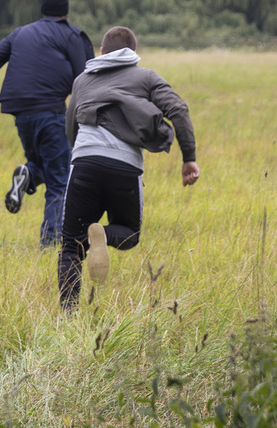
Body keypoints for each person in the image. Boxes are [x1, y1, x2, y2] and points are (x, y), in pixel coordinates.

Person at [56, 26, 199, 310]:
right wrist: (188, 157)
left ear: (101, 51)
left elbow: (70, 125)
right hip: (124, 166)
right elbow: (178, 110)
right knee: (130, 234)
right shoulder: (146, 76)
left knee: (71, 247)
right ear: (134, 52)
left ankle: (68, 317)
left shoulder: (82, 80)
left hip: (84, 161)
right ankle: (104, 234)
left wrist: (82, 154)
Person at [0, 0, 93, 247]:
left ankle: (27, 173)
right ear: (66, 12)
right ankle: (50, 244)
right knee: (60, 181)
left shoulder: (20, 33)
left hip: (20, 112)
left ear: (43, 10)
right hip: (50, 111)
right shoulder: (72, 36)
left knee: (43, 162)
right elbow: (86, 78)